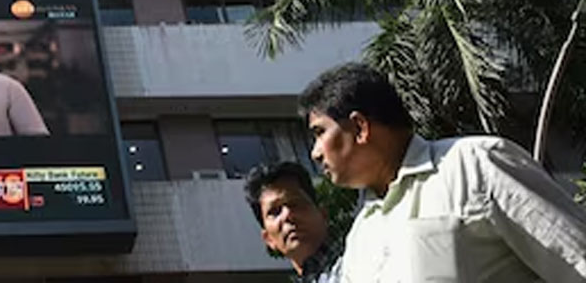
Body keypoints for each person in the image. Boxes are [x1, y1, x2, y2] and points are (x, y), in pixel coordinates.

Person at [299, 62, 586, 282]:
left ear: (360, 127)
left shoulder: (475, 166)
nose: (315, 153)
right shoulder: (362, 231)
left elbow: (577, 259)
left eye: (320, 132)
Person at [244, 161, 343, 283]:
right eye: (275, 212)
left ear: (323, 216)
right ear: (268, 239)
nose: (287, 215)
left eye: (295, 204)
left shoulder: (357, 258)